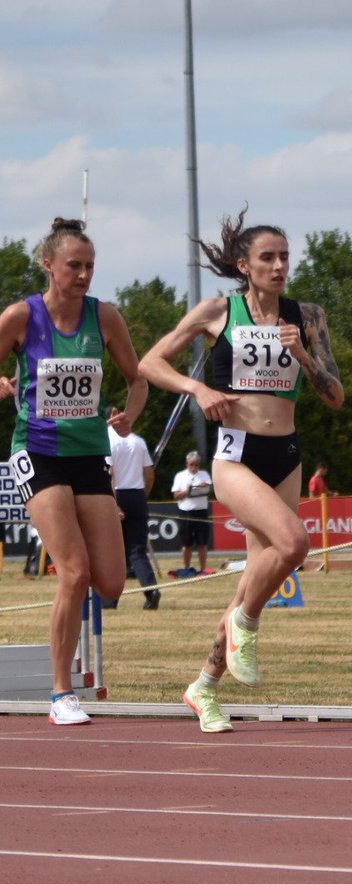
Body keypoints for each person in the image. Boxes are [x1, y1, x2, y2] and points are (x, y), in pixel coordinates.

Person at [139, 209, 344, 733]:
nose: (279, 267)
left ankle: (204, 687)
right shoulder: (217, 312)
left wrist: (303, 356)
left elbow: (335, 396)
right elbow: (151, 363)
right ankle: (245, 625)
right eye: (267, 258)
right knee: (294, 545)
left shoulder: (308, 316)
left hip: (287, 454)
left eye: (284, 257)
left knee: (254, 577)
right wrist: (199, 389)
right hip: (235, 452)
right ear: (243, 265)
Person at [0, 217, 147, 725]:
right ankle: (62, 692)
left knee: (110, 582)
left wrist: (130, 413)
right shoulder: (20, 317)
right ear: (48, 265)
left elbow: (138, 379)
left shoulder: (104, 318)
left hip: (88, 454)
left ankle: (64, 686)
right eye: (74, 266)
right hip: (37, 451)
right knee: (75, 572)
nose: (83, 275)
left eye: (90, 266)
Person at [102, 425, 162, 610]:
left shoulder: (108, 441)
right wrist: (144, 495)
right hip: (137, 494)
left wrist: (113, 502)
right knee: (137, 549)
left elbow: (109, 473)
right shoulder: (138, 441)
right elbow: (150, 474)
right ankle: (151, 590)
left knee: (114, 551)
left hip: (118, 493)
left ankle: (110, 599)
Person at [171, 449, 213, 574]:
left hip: (201, 511)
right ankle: (186, 568)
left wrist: (204, 487)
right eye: (191, 464)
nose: (194, 467)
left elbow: (209, 489)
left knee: (202, 543)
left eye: (196, 464)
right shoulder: (180, 476)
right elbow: (175, 495)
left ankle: (203, 568)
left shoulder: (204, 474)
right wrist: (186, 492)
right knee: (186, 543)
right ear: (187, 464)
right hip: (186, 512)